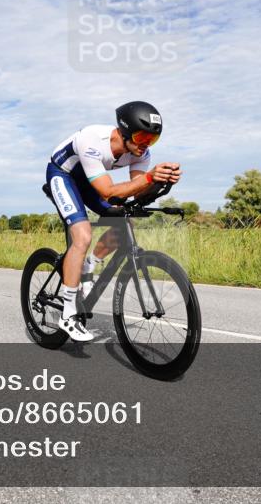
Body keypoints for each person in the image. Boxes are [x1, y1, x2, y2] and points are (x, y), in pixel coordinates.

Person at [46, 101, 181, 342]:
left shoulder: (141, 152)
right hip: (63, 175)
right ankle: (67, 314)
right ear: (124, 130)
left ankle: (90, 264)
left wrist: (161, 182)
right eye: (141, 137)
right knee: (83, 235)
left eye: (152, 140)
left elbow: (135, 192)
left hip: (90, 181)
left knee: (124, 222)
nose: (145, 145)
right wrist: (150, 177)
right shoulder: (92, 139)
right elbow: (108, 191)